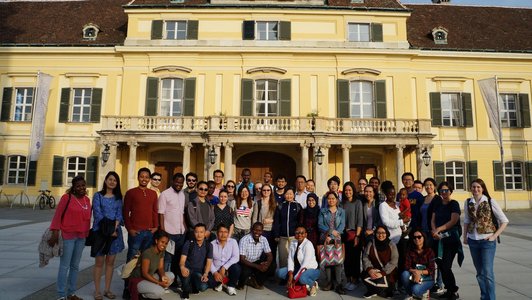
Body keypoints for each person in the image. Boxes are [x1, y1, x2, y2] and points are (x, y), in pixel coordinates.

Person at [463, 178, 508, 300]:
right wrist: (465, 236)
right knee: (480, 274)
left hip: (487, 242)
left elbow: (504, 221)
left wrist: (494, 236)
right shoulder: (468, 202)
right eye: (473, 187)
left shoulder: (490, 201)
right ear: (470, 189)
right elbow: (466, 220)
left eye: (478, 187)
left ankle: (491, 298)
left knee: (487, 273)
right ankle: (484, 297)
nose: (476, 189)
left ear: (483, 188)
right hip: (473, 240)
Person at [48, 175, 91, 300]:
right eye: (78, 186)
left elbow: (87, 219)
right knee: (65, 265)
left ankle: (71, 293)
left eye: (83, 185)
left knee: (75, 266)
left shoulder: (87, 200)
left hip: (81, 237)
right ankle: (61, 295)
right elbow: (58, 215)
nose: (81, 188)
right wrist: (55, 232)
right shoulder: (66, 198)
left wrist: (87, 234)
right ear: (73, 187)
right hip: (68, 236)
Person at [123, 167, 159, 299]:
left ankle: (140, 289)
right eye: (142, 176)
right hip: (136, 233)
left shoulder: (153, 193)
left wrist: (156, 227)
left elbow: (155, 211)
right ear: (138, 178)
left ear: (149, 179)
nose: (144, 179)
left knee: (145, 262)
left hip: (149, 233)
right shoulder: (131, 193)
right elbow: (125, 213)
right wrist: (130, 229)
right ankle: (127, 288)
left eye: (146, 177)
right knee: (131, 261)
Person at [92, 172, 125, 300]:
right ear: (105, 181)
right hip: (101, 232)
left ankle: (107, 289)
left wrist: (114, 228)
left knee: (110, 262)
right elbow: (98, 214)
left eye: (115, 180)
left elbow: (119, 215)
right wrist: (108, 229)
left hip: (114, 234)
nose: (112, 182)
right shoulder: (98, 196)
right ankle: (97, 291)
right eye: (110, 179)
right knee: (99, 262)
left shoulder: (118, 198)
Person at [431, 181, 463, 300]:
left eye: (446, 190)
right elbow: (433, 219)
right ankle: (449, 289)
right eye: (442, 191)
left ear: (450, 191)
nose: (444, 193)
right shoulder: (438, 204)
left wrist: (439, 229)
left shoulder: (453, 204)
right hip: (438, 239)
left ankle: (452, 290)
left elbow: (453, 220)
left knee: (446, 265)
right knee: (440, 264)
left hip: (450, 240)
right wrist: (434, 230)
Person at [128, 230, 175, 300]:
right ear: (156, 241)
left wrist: (163, 276)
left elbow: (161, 267)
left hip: (149, 277)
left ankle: (151, 289)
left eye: (166, 243)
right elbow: (144, 273)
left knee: (171, 275)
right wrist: (159, 283)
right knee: (160, 292)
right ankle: (143, 296)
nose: (164, 245)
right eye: (162, 242)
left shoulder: (161, 251)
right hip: (138, 280)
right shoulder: (148, 253)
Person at [276, 226, 320, 297]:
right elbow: (290, 259)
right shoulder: (293, 242)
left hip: (310, 269)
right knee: (280, 272)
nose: (299, 235)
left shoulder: (308, 244)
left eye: (302, 233)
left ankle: (313, 284)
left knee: (302, 278)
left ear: (306, 234)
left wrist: (293, 279)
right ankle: (301, 283)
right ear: (295, 234)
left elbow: (305, 265)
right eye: (297, 233)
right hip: (298, 268)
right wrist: (290, 274)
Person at [158, 173, 187, 278]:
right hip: (169, 231)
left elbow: (182, 213)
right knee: (167, 258)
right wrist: (163, 231)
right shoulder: (165, 194)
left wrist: (185, 228)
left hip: (181, 232)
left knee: (178, 257)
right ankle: (164, 279)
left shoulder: (182, 194)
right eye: (177, 182)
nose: (179, 184)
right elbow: (161, 213)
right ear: (172, 181)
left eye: (181, 182)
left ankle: (174, 280)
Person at [318, 191, 346, 294]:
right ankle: (329, 282)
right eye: (329, 198)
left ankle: (338, 284)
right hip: (325, 238)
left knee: (338, 261)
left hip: (337, 238)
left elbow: (342, 226)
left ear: (337, 200)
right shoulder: (323, 211)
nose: (331, 200)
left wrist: (333, 236)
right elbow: (320, 224)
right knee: (327, 260)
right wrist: (329, 233)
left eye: (333, 198)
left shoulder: (341, 211)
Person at [362, 226, 398, 299]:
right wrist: (370, 269)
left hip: (388, 271)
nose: (380, 235)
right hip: (374, 270)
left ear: (387, 234)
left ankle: (389, 290)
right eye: (378, 233)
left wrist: (382, 273)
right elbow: (365, 257)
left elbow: (394, 261)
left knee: (388, 282)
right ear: (375, 233)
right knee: (364, 275)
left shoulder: (392, 245)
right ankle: (372, 290)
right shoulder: (371, 243)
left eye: (383, 233)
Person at [179, 223, 213, 300]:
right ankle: (185, 291)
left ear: (205, 233)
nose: (199, 234)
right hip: (188, 269)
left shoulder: (209, 245)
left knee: (203, 287)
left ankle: (192, 284)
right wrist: (182, 267)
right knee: (184, 273)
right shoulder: (188, 243)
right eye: (196, 232)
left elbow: (209, 262)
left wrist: (205, 274)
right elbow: (182, 260)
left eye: (201, 232)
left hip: (199, 271)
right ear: (194, 233)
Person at [401, 230, 435, 300]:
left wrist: (420, 272)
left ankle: (423, 292)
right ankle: (411, 294)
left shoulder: (429, 251)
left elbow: (431, 269)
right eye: (414, 237)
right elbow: (407, 266)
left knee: (416, 290)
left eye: (419, 237)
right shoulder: (410, 251)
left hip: (427, 278)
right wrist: (415, 272)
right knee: (404, 274)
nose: (417, 239)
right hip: (414, 276)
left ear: (424, 238)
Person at [238, 222, 273, 290]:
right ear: (251, 230)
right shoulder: (244, 240)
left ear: (262, 231)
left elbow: (270, 255)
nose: (257, 232)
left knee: (272, 265)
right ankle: (243, 281)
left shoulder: (264, 239)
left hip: (257, 261)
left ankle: (254, 280)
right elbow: (242, 259)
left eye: (259, 230)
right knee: (241, 285)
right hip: (246, 263)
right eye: (255, 230)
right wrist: (258, 267)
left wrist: (266, 264)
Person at [342, 181, 363, 290]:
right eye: (346, 190)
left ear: (353, 191)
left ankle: (355, 279)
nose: (348, 192)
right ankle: (348, 278)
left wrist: (357, 236)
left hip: (355, 233)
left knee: (355, 258)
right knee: (346, 258)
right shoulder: (342, 203)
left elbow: (360, 220)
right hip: (344, 234)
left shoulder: (358, 202)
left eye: (350, 190)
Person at [274, 187, 302, 269]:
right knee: (283, 259)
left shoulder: (297, 206)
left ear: (293, 195)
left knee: (294, 257)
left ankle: (294, 277)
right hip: (282, 237)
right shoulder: (280, 205)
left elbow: (300, 221)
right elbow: (276, 221)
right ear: (284, 195)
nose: (289, 196)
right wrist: (276, 235)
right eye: (287, 194)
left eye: (291, 194)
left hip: (294, 237)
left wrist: (299, 235)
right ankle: (283, 277)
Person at [209, 224, 241, 296]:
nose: (223, 234)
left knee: (237, 268)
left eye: (225, 232)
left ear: (228, 233)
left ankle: (231, 286)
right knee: (208, 284)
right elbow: (209, 261)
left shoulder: (233, 242)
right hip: (216, 270)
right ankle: (221, 282)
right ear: (217, 233)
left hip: (228, 269)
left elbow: (236, 257)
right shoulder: (212, 244)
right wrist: (215, 273)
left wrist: (224, 267)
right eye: (221, 232)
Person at [251, 183, 277, 268]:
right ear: (261, 191)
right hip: (261, 232)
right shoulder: (258, 203)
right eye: (264, 190)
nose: (266, 192)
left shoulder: (275, 203)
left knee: (271, 252)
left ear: (271, 191)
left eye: (268, 190)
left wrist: (271, 220)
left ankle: (270, 271)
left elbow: (278, 218)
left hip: (271, 231)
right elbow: (254, 219)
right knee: (261, 253)